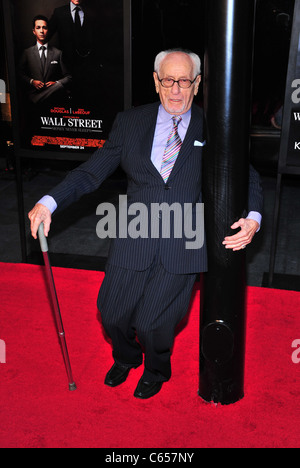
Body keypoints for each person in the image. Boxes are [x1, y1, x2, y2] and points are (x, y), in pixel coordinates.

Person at [28, 49, 263, 399]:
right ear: (156, 81)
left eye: (185, 81)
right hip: (135, 234)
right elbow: (91, 171)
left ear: (197, 84)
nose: (176, 90)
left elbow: (247, 174)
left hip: (183, 239)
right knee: (111, 314)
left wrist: (253, 217)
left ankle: (156, 368)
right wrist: (49, 202)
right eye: (168, 80)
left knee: (155, 324)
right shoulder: (130, 122)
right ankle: (126, 356)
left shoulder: (213, 125)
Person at [19, 16, 71, 106]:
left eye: (44, 28)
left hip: (52, 96)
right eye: (38, 28)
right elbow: (19, 73)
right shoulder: (27, 52)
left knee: (59, 86)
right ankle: (36, 99)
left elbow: (68, 77)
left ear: (48, 30)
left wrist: (56, 83)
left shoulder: (58, 53)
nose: (42, 31)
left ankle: (35, 100)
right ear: (34, 31)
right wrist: (32, 81)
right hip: (34, 93)